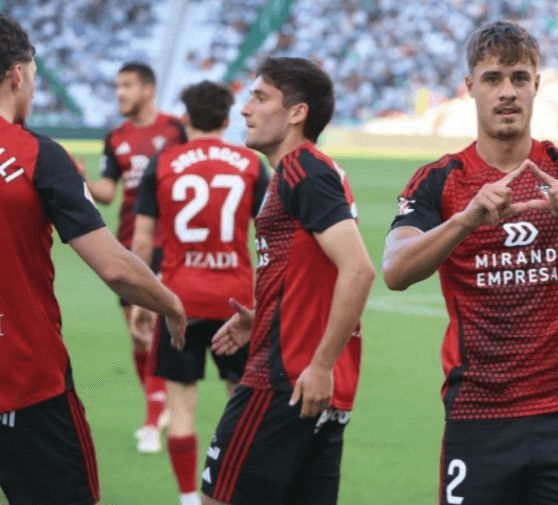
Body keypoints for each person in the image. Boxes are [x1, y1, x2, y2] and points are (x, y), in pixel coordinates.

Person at [382, 20, 558, 505]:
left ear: (537, 85)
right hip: (477, 415)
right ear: (470, 88)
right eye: (492, 79)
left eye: (518, 78)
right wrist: (465, 221)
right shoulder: (439, 180)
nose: (506, 92)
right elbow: (396, 269)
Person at [0, 15, 186, 505]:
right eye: (36, 77)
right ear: (18, 75)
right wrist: (171, 303)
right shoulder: (36, 155)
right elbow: (116, 269)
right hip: (25, 382)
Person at [199, 57, 375, 505]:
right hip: (311, 381)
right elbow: (318, 274)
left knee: (215, 499)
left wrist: (319, 364)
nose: (245, 109)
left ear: (297, 113)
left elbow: (358, 268)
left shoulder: (303, 170)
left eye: (260, 97)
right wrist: (264, 317)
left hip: (285, 379)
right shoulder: (310, 171)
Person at [130, 80, 270, 505]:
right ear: (228, 120)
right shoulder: (250, 163)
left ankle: (190, 497)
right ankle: (237, 491)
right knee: (242, 405)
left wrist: (142, 301)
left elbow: (140, 243)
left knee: (183, 408)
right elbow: (270, 238)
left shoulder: (165, 162)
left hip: (178, 303)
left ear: (185, 118)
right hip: (237, 305)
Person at [84, 61, 187, 452]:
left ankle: (153, 416)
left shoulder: (174, 130)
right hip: (128, 245)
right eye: (117, 86)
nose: (119, 93)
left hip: (169, 245)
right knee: (137, 333)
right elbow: (107, 193)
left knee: (157, 328)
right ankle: (156, 405)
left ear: (148, 89)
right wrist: (79, 177)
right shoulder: (116, 137)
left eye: (126, 85)